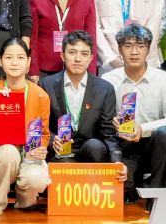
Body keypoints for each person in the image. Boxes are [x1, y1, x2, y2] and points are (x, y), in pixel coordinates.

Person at [102, 24, 166, 200]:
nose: (134, 52)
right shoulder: (108, 80)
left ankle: (157, 194)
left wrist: (143, 129)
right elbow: (103, 122)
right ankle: (133, 182)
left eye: (140, 46)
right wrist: (113, 123)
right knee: (125, 195)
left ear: (148, 49)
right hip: (123, 144)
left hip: (153, 143)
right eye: (128, 46)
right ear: (119, 50)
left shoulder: (164, 79)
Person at [0, 36, 52, 215]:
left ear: (28, 62)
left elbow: (44, 134)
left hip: (28, 154)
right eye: (9, 57)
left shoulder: (40, 95)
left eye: (20, 57)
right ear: (0, 61)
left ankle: (25, 200)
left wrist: (40, 149)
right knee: (8, 152)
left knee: (37, 178)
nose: (14, 62)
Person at [38, 29, 121, 171]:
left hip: (91, 149)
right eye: (72, 52)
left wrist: (116, 161)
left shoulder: (105, 88)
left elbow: (109, 132)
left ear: (91, 58)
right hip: (60, 150)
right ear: (63, 56)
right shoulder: (46, 85)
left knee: (95, 146)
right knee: (65, 161)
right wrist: (52, 140)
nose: (78, 59)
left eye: (84, 54)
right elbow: (41, 125)